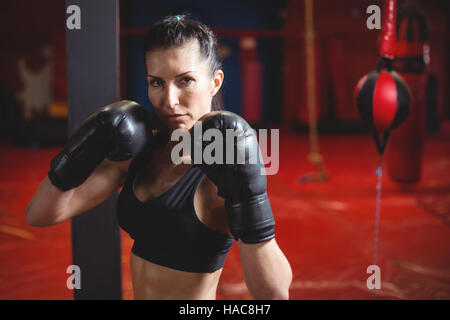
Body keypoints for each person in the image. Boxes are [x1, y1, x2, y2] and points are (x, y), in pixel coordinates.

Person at [26, 14, 292, 300]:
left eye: (185, 81)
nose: (169, 100)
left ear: (215, 82)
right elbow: (40, 214)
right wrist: (76, 157)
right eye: (157, 83)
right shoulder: (142, 150)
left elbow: (273, 293)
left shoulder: (224, 166)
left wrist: (249, 197)